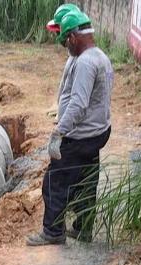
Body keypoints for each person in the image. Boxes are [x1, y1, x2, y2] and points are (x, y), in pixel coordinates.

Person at [27, 10, 114, 246]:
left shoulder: (85, 62)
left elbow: (78, 103)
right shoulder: (100, 57)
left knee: (55, 181)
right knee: (86, 180)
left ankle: (53, 232)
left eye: (66, 40)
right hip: (96, 133)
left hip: (79, 136)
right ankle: (83, 228)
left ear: (74, 37)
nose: (66, 46)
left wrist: (60, 131)